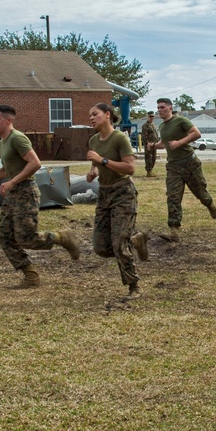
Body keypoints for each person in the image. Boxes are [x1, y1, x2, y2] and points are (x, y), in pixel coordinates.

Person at [0, 105, 80, 287]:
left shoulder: (17, 139)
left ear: (9, 121)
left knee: (26, 237)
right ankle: (30, 275)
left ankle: (62, 237)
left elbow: (35, 163)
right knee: (5, 237)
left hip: (26, 191)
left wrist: (13, 182)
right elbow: (6, 170)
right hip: (13, 193)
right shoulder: (2, 142)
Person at [85, 102, 149, 300]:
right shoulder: (94, 140)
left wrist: (103, 160)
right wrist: (93, 171)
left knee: (120, 244)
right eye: (90, 116)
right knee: (101, 247)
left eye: (94, 114)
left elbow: (130, 168)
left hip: (122, 193)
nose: (91, 118)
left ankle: (134, 286)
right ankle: (136, 239)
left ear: (107, 114)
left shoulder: (120, 138)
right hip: (104, 194)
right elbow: (96, 163)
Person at [152, 97, 216, 242]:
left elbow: (196, 133)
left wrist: (179, 142)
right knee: (173, 196)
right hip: (173, 166)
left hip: (189, 163)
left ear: (170, 108)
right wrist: (154, 146)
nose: (160, 110)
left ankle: (209, 204)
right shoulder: (162, 126)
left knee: (200, 192)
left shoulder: (180, 121)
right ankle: (174, 229)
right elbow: (164, 143)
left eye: (162, 107)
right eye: (158, 108)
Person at [141, 110, 160, 177]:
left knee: (154, 158)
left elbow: (155, 134)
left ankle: (151, 170)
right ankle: (149, 171)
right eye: (150, 116)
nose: (152, 118)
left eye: (153, 116)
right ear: (148, 117)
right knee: (149, 158)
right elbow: (144, 136)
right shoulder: (145, 126)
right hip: (149, 145)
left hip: (154, 144)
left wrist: (157, 142)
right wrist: (147, 144)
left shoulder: (153, 125)